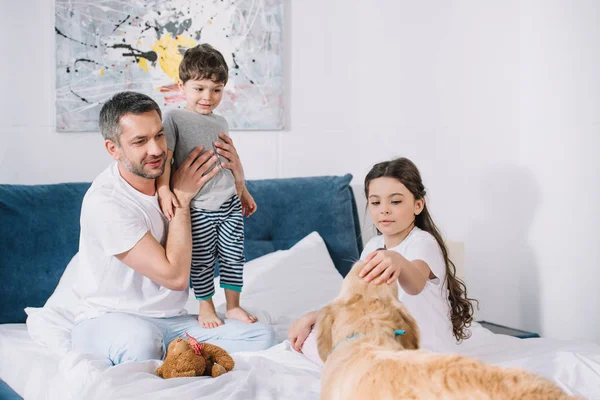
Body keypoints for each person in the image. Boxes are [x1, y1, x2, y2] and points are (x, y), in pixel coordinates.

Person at [70, 91, 276, 364]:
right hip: (109, 319)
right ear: (113, 149)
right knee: (141, 343)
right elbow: (175, 277)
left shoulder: (174, 173)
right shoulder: (106, 203)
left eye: (159, 135)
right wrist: (182, 200)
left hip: (172, 322)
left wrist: (238, 176)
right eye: (140, 141)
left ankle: (175, 358)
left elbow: (225, 197)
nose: (155, 150)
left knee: (261, 337)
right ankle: (172, 359)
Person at [288, 157, 477, 355]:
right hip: (390, 344)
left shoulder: (423, 243)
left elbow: (415, 284)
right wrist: (316, 316)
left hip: (426, 352)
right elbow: (355, 299)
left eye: (395, 201)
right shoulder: (373, 246)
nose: (384, 209)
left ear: (418, 205)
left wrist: (398, 261)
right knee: (309, 339)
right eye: (376, 202)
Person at [156, 43, 257, 329]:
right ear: (182, 85)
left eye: (216, 90)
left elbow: (227, 161)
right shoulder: (173, 118)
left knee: (234, 255)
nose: (208, 97)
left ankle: (234, 306)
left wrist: (243, 190)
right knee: (201, 260)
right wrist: (164, 189)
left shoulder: (221, 121)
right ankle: (206, 306)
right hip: (199, 207)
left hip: (229, 202)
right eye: (199, 88)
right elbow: (167, 158)